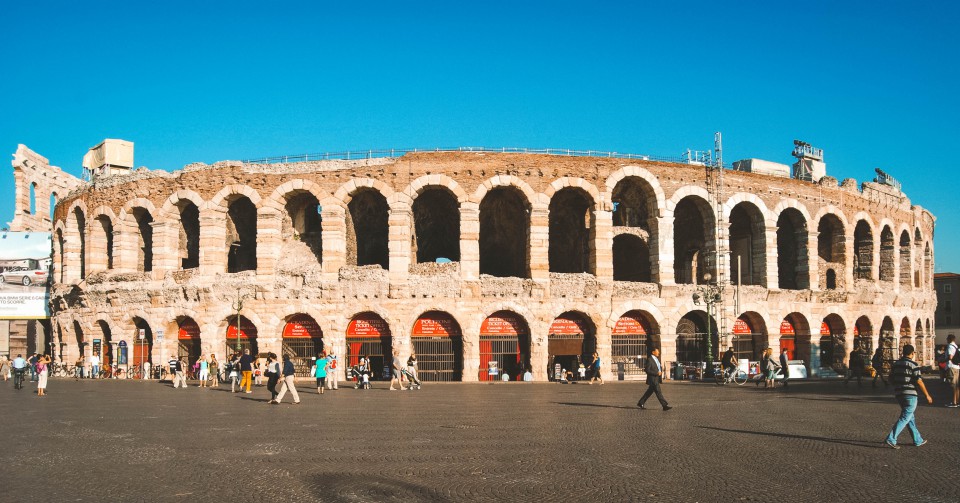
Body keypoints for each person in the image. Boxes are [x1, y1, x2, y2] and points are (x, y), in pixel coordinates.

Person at [884, 344, 932, 449]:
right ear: (912, 353)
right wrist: (927, 395)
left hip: (899, 394)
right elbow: (919, 381)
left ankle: (917, 439)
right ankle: (891, 438)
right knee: (906, 417)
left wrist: (897, 386)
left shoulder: (896, 364)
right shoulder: (913, 365)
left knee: (910, 417)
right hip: (910, 394)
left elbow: (890, 378)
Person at [946, 334, 959, 408]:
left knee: (953, 385)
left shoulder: (950, 346)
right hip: (957, 367)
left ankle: (954, 402)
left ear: (949, 339)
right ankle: (957, 401)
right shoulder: (956, 346)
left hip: (952, 367)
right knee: (957, 385)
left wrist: (943, 360)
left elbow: (950, 357)